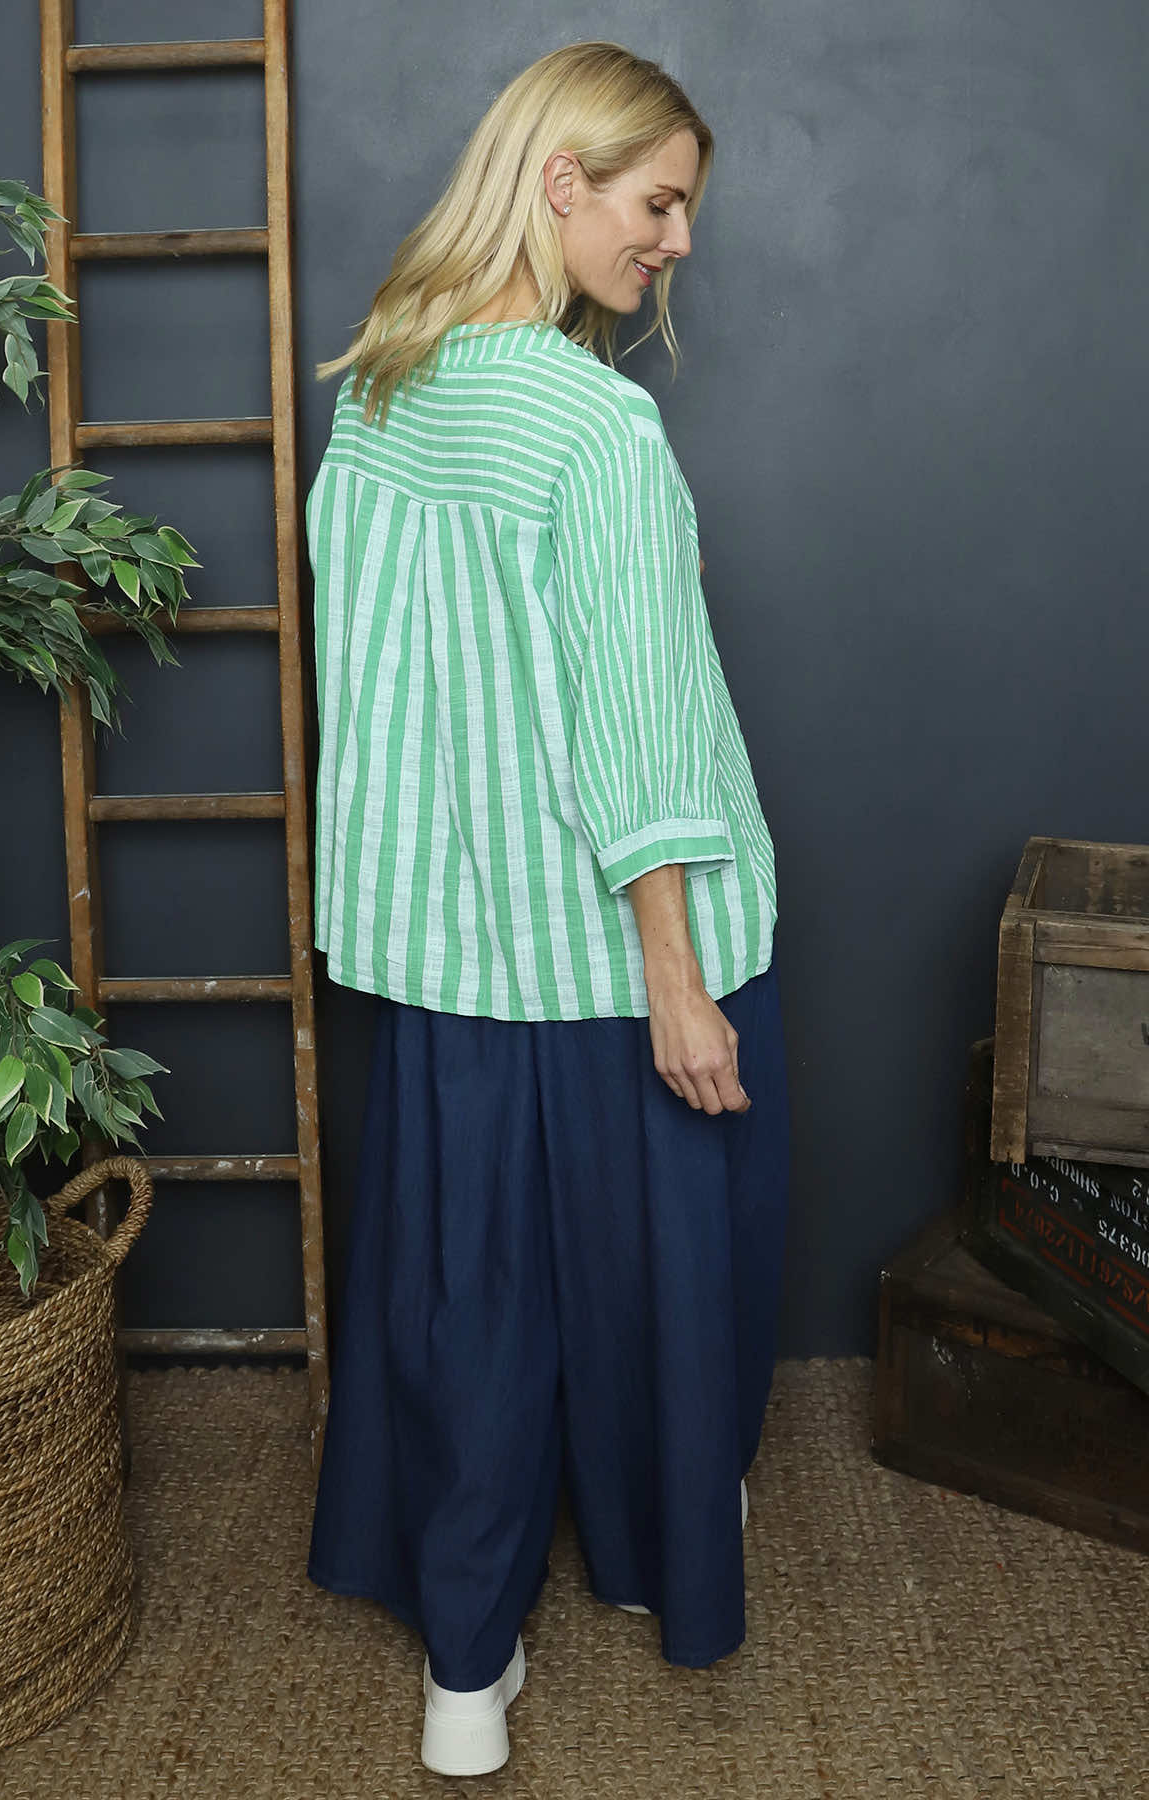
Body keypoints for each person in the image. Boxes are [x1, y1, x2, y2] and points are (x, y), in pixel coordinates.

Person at [302, 39, 789, 1779]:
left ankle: (467, 1672)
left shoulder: (378, 385)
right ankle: (675, 1533)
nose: (678, 242)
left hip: (452, 949)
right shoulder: (596, 425)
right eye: (661, 202)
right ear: (562, 178)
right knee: (672, 1279)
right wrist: (678, 975)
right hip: (612, 958)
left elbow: (409, 673)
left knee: (472, 1308)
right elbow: (637, 731)